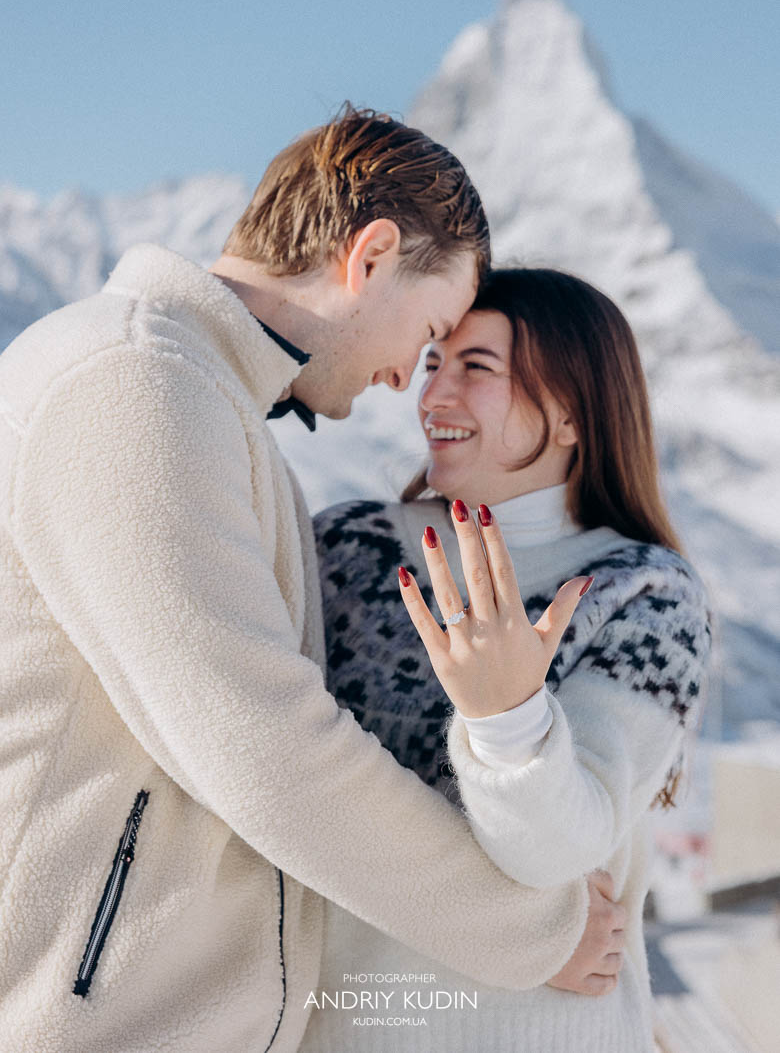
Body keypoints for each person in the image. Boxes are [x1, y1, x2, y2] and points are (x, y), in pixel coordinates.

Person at [0, 115, 623, 1053]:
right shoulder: (132, 383)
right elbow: (263, 745)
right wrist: (534, 931)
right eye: (433, 328)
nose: (410, 377)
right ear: (371, 256)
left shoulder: (204, 399)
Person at [311, 267, 712, 1052]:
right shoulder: (347, 551)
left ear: (569, 412)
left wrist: (508, 719)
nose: (433, 396)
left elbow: (560, 850)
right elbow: (277, 778)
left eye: (476, 369)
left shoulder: (644, 592)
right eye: (433, 362)